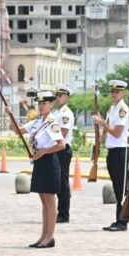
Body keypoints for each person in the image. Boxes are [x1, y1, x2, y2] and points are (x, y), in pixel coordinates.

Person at [7, 91, 65, 248]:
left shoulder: (52, 123)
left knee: (50, 201)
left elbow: (61, 144)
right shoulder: (37, 121)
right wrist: (10, 116)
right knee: (43, 201)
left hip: (49, 161)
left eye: (44, 103)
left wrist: (44, 152)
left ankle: (50, 236)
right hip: (39, 161)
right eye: (39, 103)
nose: (41, 106)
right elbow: (18, 132)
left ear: (50, 105)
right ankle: (43, 235)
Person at [93, 80, 129, 232]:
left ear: (122, 93)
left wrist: (102, 122)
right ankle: (118, 218)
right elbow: (106, 132)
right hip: (112, 151)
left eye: (117, 91)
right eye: (112, 91)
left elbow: (116, 132)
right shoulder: (112, 109)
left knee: (121, 188)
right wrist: (98, 145)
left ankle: (122, 221)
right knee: (116, 187)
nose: (114, 94)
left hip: (121, 151)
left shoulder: (122, 109)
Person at [53, 84, 74, 223]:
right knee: (58, 182)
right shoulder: (56, 112)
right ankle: (59, 212)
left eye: (61, 95)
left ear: (67, 97)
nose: (58, 98)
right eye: (57, 95)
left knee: (63, 182)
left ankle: (64, 214)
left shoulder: (66, 113)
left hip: (63, 149)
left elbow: (63, 132)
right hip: (56, 149)